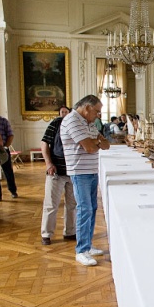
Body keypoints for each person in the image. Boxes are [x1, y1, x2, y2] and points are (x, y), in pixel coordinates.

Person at [61, 95, 110, 266]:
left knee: (92, 208)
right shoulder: (72, 120)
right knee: (84, 209)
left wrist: (95, 141)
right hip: (79, 172)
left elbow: (106, 144)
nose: (98, 115)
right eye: (96, 111)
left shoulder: (88, 123)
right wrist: (95, 142)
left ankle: (87, 246)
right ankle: (81, 250)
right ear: (87, 107)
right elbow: (90, 148)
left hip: (91, 171)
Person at [40, 105, 76, 245]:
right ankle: (46, 234)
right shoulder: (56, 123)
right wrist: (48, 164)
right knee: (51, 204)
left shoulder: (78, 125)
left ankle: (70, 231)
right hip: (55, 171)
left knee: (72, 204)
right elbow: (44, 144)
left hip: (73, 172)